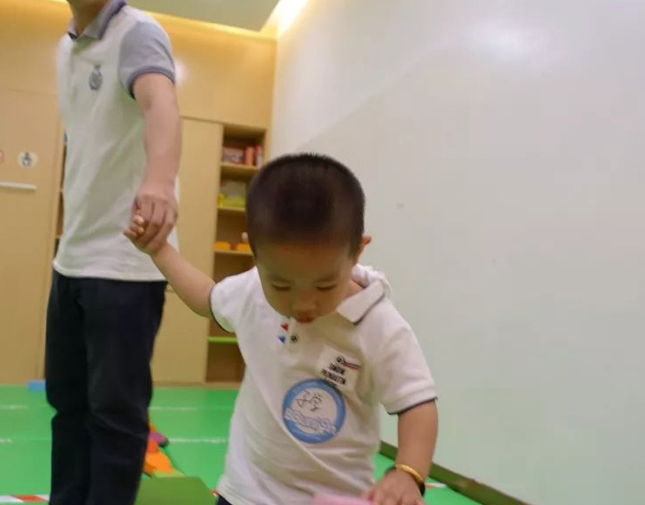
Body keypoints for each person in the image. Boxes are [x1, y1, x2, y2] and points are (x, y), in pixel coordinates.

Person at [126, 154, 439, 505]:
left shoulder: (378, 324)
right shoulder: (251, 290)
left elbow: (417, 403)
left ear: (356, 253)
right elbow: (206, 298)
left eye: (324, 286)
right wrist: (159, 250)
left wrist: (408, 473)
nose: (303, 303)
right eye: (282, 285)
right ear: (255, 252)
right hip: (244, 493)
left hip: (334, 498)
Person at [41, 0, 182, 503]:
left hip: (124, 264)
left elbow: (160, 104)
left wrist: (159, 180)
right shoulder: (66, 49)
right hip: (71, 261)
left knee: (116, 416)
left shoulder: (137, 33)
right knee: (67, 408)